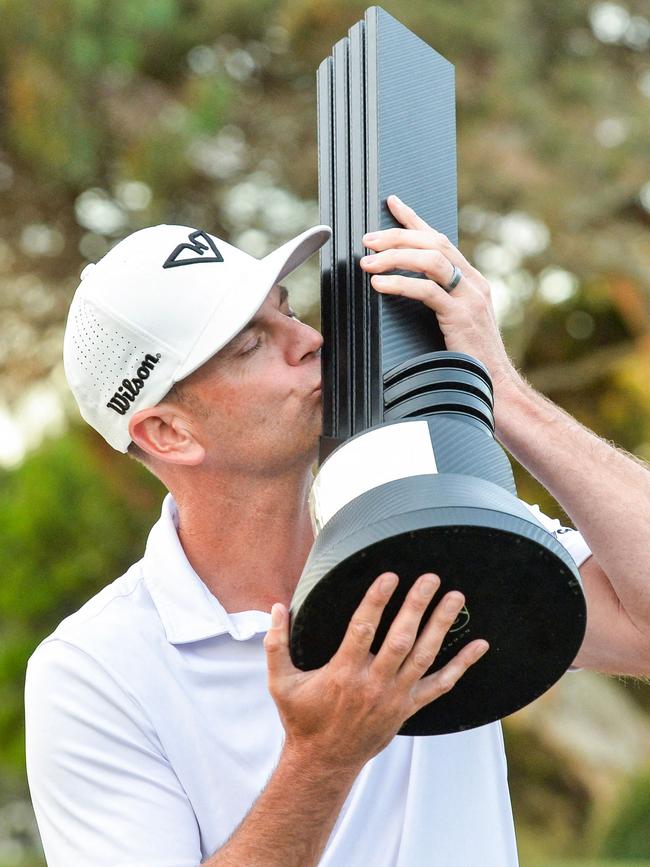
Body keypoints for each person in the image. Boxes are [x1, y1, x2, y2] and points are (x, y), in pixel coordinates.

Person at [24, 196, 650, 867]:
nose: (310, 340)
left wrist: (500, 389)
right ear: (168, 432)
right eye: (252, 342)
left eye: (286, 311)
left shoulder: (432, 521)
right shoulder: (93, 674)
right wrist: (324, 757)